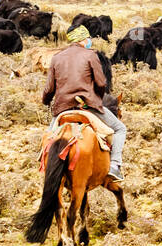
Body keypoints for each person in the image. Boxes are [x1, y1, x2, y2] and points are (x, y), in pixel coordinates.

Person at [42, 25, 127, 181]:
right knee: (120, 129)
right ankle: (115, 165)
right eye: (88, 38)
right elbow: (101, 83)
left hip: (63, 107)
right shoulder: (91, 55)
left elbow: (49, 89)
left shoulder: (57, 58)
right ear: (82, 39)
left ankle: (44, 164)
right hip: (88, 106)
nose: (90, 41)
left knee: (49, 137)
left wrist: (46, 101)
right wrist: (97, 98)